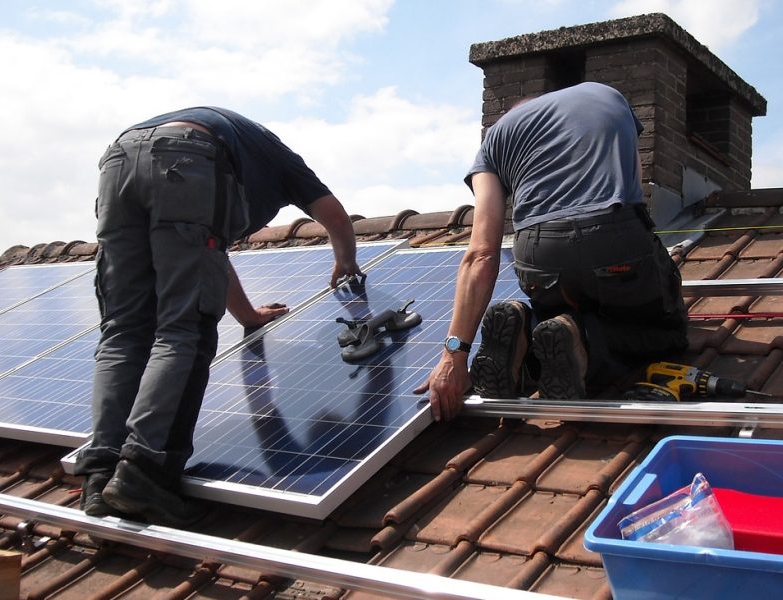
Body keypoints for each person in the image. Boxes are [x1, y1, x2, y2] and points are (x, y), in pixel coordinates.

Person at [75, 107, 363, 526]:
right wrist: (346, 262)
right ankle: (144, 473)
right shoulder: (281, 161)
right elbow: (335, 216)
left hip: (119, 160)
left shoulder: (243, 150)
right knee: (182, 332)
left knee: (123, 332)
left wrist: (246, 313)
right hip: (186, 157)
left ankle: (100, 478)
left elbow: (207, 255)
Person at [417, 82, 688, 422]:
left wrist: (454, 354)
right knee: (670, 331)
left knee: (559, 306)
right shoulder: (608, 95)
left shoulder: (493, 141)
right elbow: (635, 194)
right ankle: (584, 342)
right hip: (613, 235)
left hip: (539, 255)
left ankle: (526, 328)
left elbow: (482, 252)